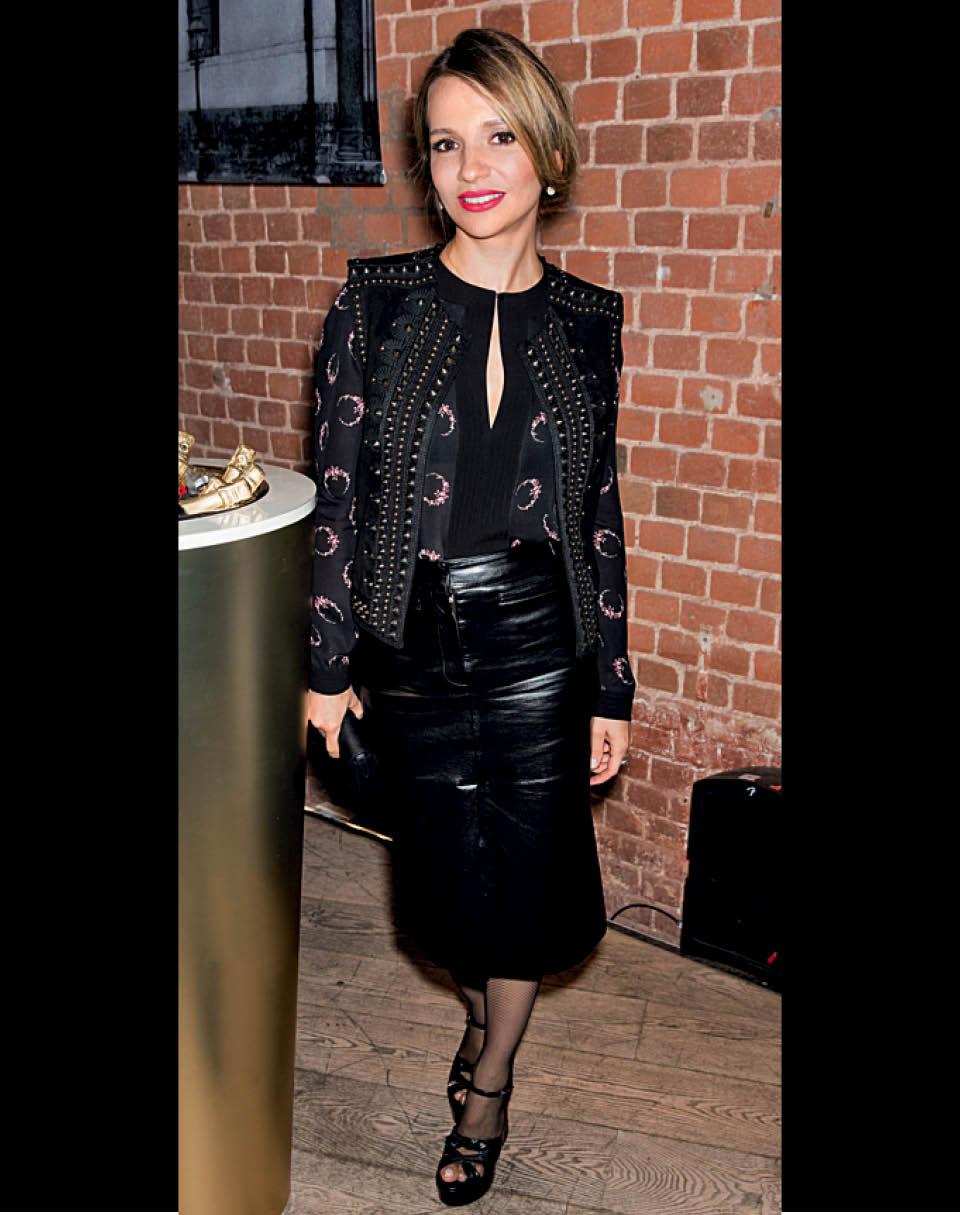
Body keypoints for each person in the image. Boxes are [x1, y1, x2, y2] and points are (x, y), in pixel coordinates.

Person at [304, 27, 637, 1205]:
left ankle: (489, 1082)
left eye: (497, 135)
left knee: (530, 894)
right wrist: (326, 667)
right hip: (415, 644)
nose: (471, 166)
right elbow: (338, 498)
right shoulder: (377, 304)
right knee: (446, 900)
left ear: (548, 152)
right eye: (446, 144)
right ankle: (475, 1018)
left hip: (543, 642)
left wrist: (611, 685)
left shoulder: (591, 319)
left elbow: (600, 511)